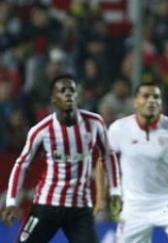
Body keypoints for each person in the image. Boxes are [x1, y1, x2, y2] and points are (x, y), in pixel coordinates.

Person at [0, 74, 121, 243]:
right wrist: (11, 201)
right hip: (46, 205)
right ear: (53, 99)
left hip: (80, 209)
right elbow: (21, 165)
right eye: (62, 91)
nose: (68, 94)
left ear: (77, 95)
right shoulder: (41, 130)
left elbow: (108, 155)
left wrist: (115, 191)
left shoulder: (95, 123)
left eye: (71, 90)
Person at [95, 82, 168, 243]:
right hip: (134, 205)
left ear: (161, 103)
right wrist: (101, 197)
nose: (151, 101)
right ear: (135, 101)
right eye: (146, 96)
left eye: (156, 97)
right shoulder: (119, 129)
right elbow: (103, 163)